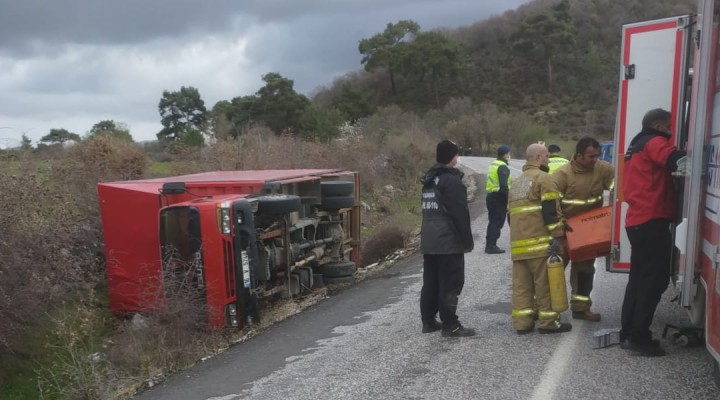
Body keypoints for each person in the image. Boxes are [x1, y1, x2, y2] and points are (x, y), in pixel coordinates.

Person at [620, 108, 686, 357]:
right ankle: (638, 337)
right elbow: (676, 160)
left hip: (638, 221)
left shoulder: (636, 144)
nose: (671, 130)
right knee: (654, 280)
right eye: (669, 126)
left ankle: (628, 333)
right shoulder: (655, 142)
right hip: (651, 221)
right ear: (659, 126)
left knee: (638, 279)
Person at [508, 143, 571, 334]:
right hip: (540, 244)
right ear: (537, 158)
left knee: (522, 287)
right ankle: (549, 323)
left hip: (519, 247)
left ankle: (522, 323)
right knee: (545, 286)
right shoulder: (544, 179)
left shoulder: (517, 182)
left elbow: (510, 216)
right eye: (545, 156)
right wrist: (558, 236)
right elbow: (551, 212)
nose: (548, 159)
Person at [553, 137, 614, 321]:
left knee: (585, 271)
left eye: (597, 155)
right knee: (553, 270)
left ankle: (581, 308)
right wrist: (559, 230)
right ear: (579, 156)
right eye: (591, 156)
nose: (595, 159)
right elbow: (551, 204)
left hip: (588, 232)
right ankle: (546, 311)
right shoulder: (561, 175)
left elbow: (619, 188)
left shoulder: (603, 169)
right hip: (565, 230)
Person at [419, 139, 476, 337]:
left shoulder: (429, 179)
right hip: (448, 241)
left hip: (430, 240)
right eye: (457, 155)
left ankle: (428, 321)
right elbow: (459, 213)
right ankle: (450, 324)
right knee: (451, 282)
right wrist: (467, 241)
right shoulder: (451, 181)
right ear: (452, 157)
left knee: (431, 282)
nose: (458, 158)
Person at [485, 145, 512, 254]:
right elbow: (504, 186)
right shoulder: (502, 167)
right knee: (497, 221)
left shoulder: (493, 164)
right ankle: (491, 246)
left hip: (491, 196)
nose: (510, 156)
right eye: (509, 154)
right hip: (499, 197)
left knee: (492, 220)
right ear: (505, 154)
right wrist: (509, 198)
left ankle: (489, 244)